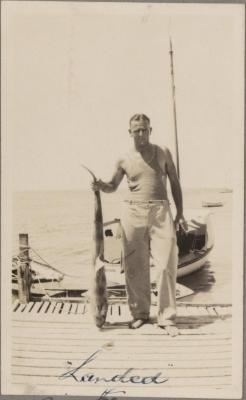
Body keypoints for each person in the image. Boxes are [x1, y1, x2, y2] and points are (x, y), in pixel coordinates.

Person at [92, 114, 187, 336]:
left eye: (144, 129)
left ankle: (167, 317)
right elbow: (112, 186)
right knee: (135, 268)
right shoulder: (123, 159)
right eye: (137, 130)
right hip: (132, 212)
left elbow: (174, 181)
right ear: (130, 132)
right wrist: (100, 185)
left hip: (160, 211)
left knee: (166, 265)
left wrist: (180, 211)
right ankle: (140, 314)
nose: (141, 134)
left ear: (150, 130)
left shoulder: (163, 152)